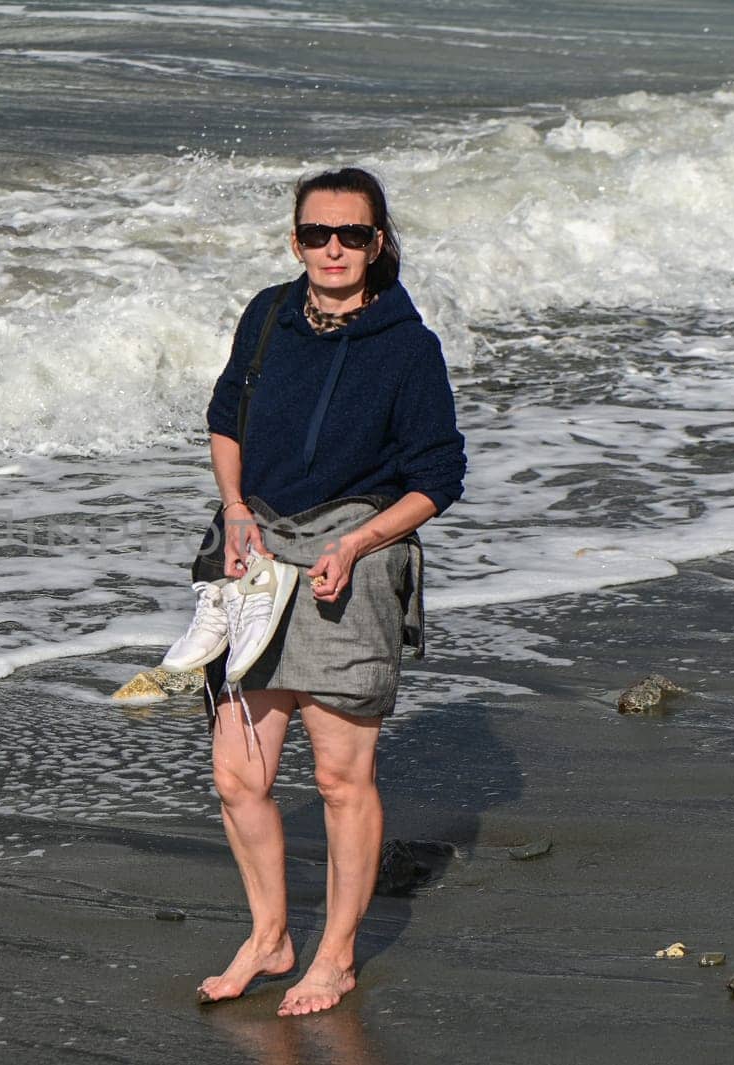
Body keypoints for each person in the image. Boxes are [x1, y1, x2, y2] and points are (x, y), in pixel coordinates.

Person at [172, 167, 465, 1016]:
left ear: (379, 242)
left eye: (352, 235)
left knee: (340, 777)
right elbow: (226, 417)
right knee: (238, 774)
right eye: (316, 234)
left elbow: (439, 475)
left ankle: (334, 955)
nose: (332, 249)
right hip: (254, 548)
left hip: (353, 558)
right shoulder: (267, 315)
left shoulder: (408, 347)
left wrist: (360, 540)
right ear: (295, 239)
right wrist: (232, 512)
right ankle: (270, 935)